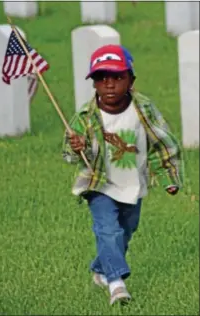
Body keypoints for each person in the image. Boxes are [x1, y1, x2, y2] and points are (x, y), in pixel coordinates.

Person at [62, 44, 184, 306]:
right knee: (108, 230)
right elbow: (69, 153)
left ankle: (100, 269)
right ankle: (116, 284)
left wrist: (169, 178)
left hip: (133, 184)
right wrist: (76, 147)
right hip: (100, 185)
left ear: (131, 80)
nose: (109, 84)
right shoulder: (85, 115)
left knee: (126, 230)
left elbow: (162, 142)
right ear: (93, 82)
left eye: (117, 77)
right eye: (102, 77)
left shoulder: (143, 109)